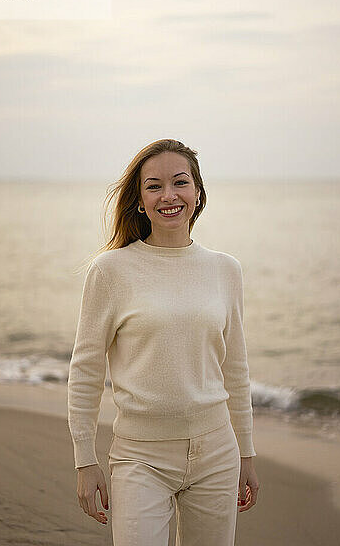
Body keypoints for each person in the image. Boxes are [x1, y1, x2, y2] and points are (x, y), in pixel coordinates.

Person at [67, 138, 259, 546]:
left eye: (180, 182)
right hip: (140, 457)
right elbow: (85, 370)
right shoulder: (111, 270)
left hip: (217, 453)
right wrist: (86, 459)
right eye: (154, 185)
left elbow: (236, 369)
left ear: (198, 192)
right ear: (140, 199)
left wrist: (246, 452)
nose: (168, 195)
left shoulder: (226, 270)